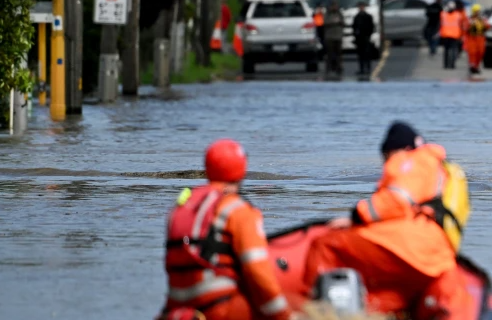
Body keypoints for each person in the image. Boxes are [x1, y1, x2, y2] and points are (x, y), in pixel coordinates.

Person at [303, 122, 472, 319]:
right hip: (437, 256)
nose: (385, 164)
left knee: (324, 244)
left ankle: (310, 310)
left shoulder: (413, 161)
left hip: (410, 247)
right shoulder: (440, 168)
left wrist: (357, 217)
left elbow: (396, 200)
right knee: (388, 300)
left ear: (398, 150)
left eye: (385, 157)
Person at [161, 139, 295, 320]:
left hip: (176, 310)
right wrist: (284, 315)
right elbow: (258, 271)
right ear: (242, 169)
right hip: (219, 308)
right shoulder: (237, 209)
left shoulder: (181, 207)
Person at [463, 4, 490, 75]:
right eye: (476, 11)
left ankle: (476, 66)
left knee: (480, 52)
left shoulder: (482, 19)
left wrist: (484, 22)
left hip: (480, 38)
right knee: (472, 52)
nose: (477, 12)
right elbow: (465, 28)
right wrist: (470, 24)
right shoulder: (469, 19)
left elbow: (488, 26)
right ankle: (472, 65)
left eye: (478, 11)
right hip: (472, 38)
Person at [323, 0, 345, 78]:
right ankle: (329, 68)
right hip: (330, 37)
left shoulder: (339, 14)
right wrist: (334, 22)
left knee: (338, 54)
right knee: (330, 54)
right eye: (333, 6)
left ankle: (338, 68)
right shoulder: (327, 14)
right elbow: (325, 23)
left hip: (338, 36)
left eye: (336, 6)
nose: (335, 7)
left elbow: (343, 22)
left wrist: (338, 22)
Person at [353, 1, 375, 79]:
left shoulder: (368, 16)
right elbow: (354, 27)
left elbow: (371, 27)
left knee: (367, 54)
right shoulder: (357, 17)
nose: (361, 8)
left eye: (362, 6)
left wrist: (368, 35)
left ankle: (368, 68)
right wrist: (356, 36)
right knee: (360, 55)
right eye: (360, 6)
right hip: (359, 38)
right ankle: (361, 68)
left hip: (366, 37)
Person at [438, 1, 463, 69]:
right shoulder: (458, 15)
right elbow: (461, 25)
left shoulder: (443, 14)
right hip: (455, 35)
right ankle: (452, 64)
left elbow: (440, 24)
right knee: (454, 50)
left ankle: (446, 64)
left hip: (446, 35)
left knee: (446, 50)